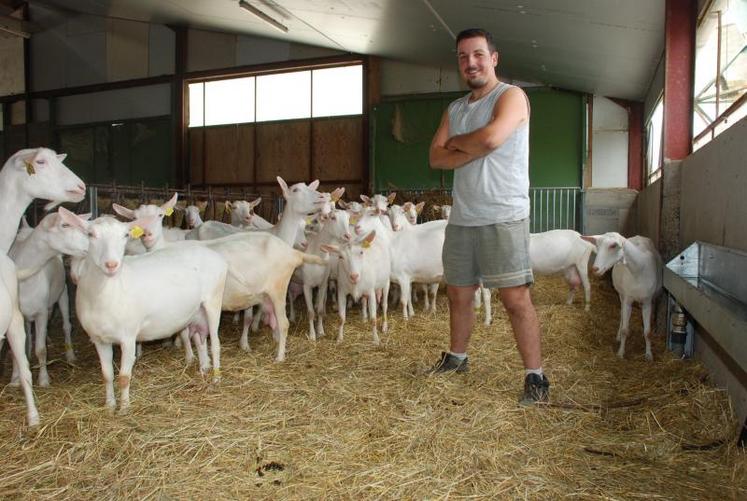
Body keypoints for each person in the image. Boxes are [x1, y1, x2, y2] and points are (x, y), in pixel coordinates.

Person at [427, 28, 549, 405]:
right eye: (463, 57)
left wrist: (460, 145)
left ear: (493, 58)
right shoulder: (456, 109)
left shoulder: (511, 96)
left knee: (514, 299)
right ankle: (458, 358)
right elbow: (435, 157)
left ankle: (535, 376)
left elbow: (493, 138)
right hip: (464, 216)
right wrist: (474, 144)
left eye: (478, 54)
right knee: (458, 294)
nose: (471, 63)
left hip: (503, 213)